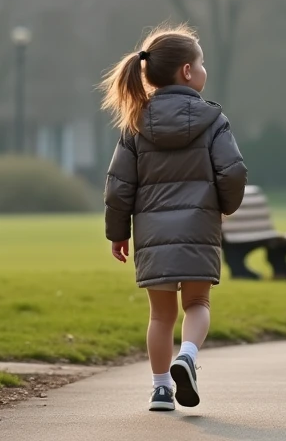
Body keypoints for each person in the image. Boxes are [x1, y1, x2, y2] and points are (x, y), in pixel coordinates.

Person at [100, 24, 248, 413]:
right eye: (201, 62)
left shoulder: (135, 123)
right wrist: (225, 207)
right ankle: (188, 355)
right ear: (187, 71)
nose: (204, 68)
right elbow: (232, 172)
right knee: (198, 302)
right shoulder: (212, 120)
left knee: (160, 314)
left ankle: (161, 389)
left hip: (152, 234)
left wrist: (118, 232)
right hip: (199, 228)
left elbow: (118, 186)